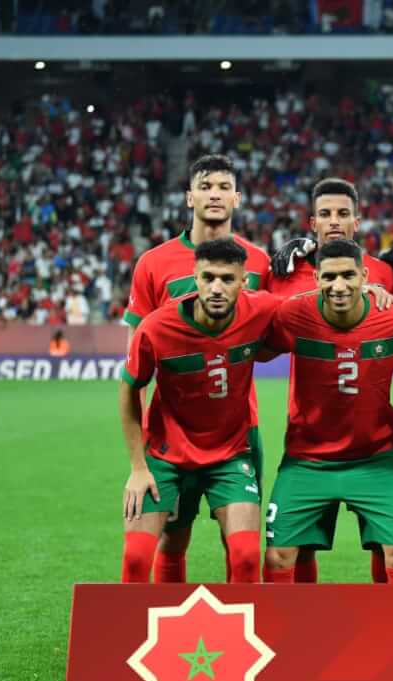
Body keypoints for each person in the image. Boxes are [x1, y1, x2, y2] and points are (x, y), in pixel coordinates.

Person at [121, 154, 270, 583]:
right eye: (205, 187)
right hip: (171, 434)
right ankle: (166, 622)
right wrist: (139, 458)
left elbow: (280, 321)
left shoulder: (259, 262)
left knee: (241, 548)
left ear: (237, 197)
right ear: (190, 197)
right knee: (172, 539)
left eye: (224, 187)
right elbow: (136, 363)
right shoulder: (154, 263)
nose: (215, 195)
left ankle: (243, 620)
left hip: (239, 429)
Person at [266, 176, 393, 584]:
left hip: (373, 440)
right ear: (312, 223)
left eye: (343, 213)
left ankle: (388, 616)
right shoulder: (286, 269)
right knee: (298, 546)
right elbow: (262, 331)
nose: (334, 221)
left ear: (357, 222)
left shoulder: (384, 273)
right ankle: (300, 619)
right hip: (308, 436)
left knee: (387, 544)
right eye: (325, 214)